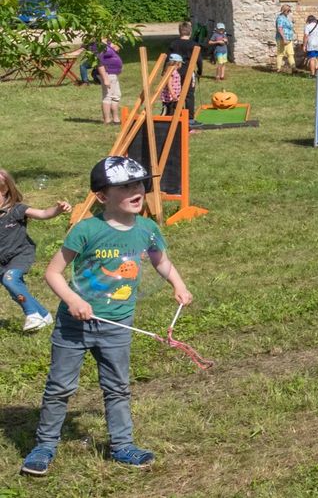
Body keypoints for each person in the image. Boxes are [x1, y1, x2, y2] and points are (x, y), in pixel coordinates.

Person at [20, 156, 193, 476]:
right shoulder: (87, 230)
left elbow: (161, 261)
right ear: (102, 196)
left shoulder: (147, 229)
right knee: (60, 387)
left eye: (138, 184)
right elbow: (53, 273)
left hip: (117, 325)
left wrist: (178, 285)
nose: (136, 191)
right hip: (75, 326)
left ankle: (123, 445)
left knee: (117, 387)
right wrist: (73, 300)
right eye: (124, 187)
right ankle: (44, 445)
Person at [0, 169, 70, 333]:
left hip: (19, 254)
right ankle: (44, 315)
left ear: (5, 191)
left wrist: (58, 209)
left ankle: (32, 314)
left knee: (10, 280)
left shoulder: (16, 209)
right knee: (14, 288)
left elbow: (43, 213)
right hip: (1, 259)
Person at [165, 22, 204, 121]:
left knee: (175, 92)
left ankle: (175, 114)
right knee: (189, 95)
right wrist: (200, 71)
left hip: (174, 72)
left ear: (180, 32)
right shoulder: (194, 45)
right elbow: (199, 60)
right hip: (188, 72)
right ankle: (190, 118)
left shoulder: (174, 43)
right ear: (190, 32)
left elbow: (167, 58)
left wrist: (164, 71)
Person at [96, 40, 123, 125]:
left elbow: (115, 48)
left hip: (113, 74)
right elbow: (99, 63)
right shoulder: (96, 45)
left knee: (116, 96)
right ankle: (107, 120)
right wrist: (105, 78)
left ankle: (116, 119)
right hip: (107, 73)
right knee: (108, 96)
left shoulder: (107, 41)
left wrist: (114, 47)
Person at [274, 5, 296, 72]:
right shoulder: (280, 18)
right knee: (281, 53)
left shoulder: (286, 18)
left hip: (289, 38)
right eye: (288, 11)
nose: (289, 12)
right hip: (282, 38)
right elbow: (280, 28)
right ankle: (278, 69)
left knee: (290, 53)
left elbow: (288, 27)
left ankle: (293, 68)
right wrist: (284, 38)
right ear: (284, 10)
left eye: (290, 11)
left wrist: (292, 22)